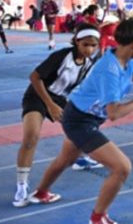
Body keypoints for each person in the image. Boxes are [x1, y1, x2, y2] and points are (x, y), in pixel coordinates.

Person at [28, 19, 133, 224]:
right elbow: (114, 113)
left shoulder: (126, 58)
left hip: (81, 114)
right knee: (121, 167)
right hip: (80, 121)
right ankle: (98, 218)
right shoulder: (109, 70)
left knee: (66, 159)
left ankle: (40, 193)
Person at [13, 24, 102, 208]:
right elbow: (34, 77)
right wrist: (50, 105)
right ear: (77, 41)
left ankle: (79, 158)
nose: (90, 49)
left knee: (82, 127)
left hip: (60, 98)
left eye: (94, 46)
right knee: (31, 137)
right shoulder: (61, 56)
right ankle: (21, 186)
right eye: (86, 45)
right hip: (38, 95)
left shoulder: (88, 64)